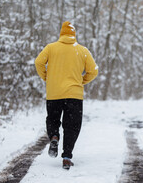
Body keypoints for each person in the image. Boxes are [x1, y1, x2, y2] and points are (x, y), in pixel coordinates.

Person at [34, 21, 98, 170]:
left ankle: (54, 137)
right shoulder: (82, 51)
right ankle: (67, 157)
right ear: (74, 34)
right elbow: (93, 71)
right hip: (74, 96)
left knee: (53, 119)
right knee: (72, 126)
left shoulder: (51, 48)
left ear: (61, 33)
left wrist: (47, 78)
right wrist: (81, 81)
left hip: (54, 93)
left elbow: (38, 62)